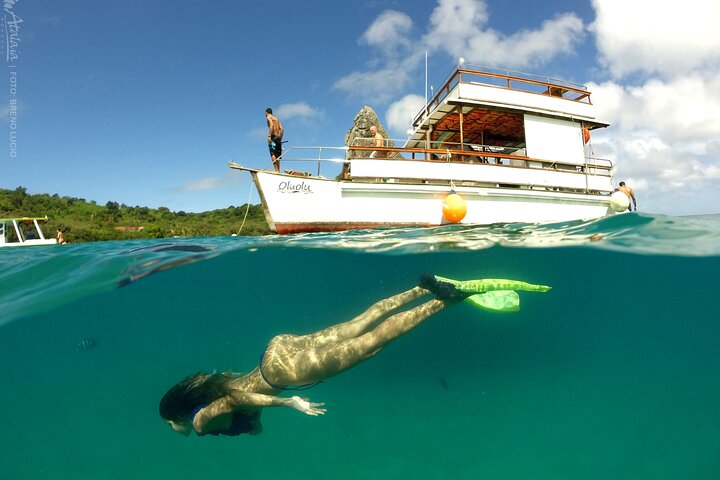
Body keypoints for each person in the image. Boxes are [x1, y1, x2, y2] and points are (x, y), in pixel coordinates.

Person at [159, 274, 551, 437]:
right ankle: (422, 287)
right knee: (360, 322)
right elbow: (245, 411)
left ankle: (445, 300)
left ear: (183, 409)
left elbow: (237, 402)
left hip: (286, 374)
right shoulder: (214, 388)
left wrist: (289, 403)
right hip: (276, 351)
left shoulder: (202, 418)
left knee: (373, 343)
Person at [265, 108, 284, 172]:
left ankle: (275, 169)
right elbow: (282, 129)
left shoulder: (268, 117)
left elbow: (272, 125)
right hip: (278, 137)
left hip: (273, 137)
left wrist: (269, 136)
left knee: (273, 153)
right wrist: (280, 138)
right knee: (278, 155)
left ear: (266, 113)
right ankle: (278, 170)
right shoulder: (276, 119)